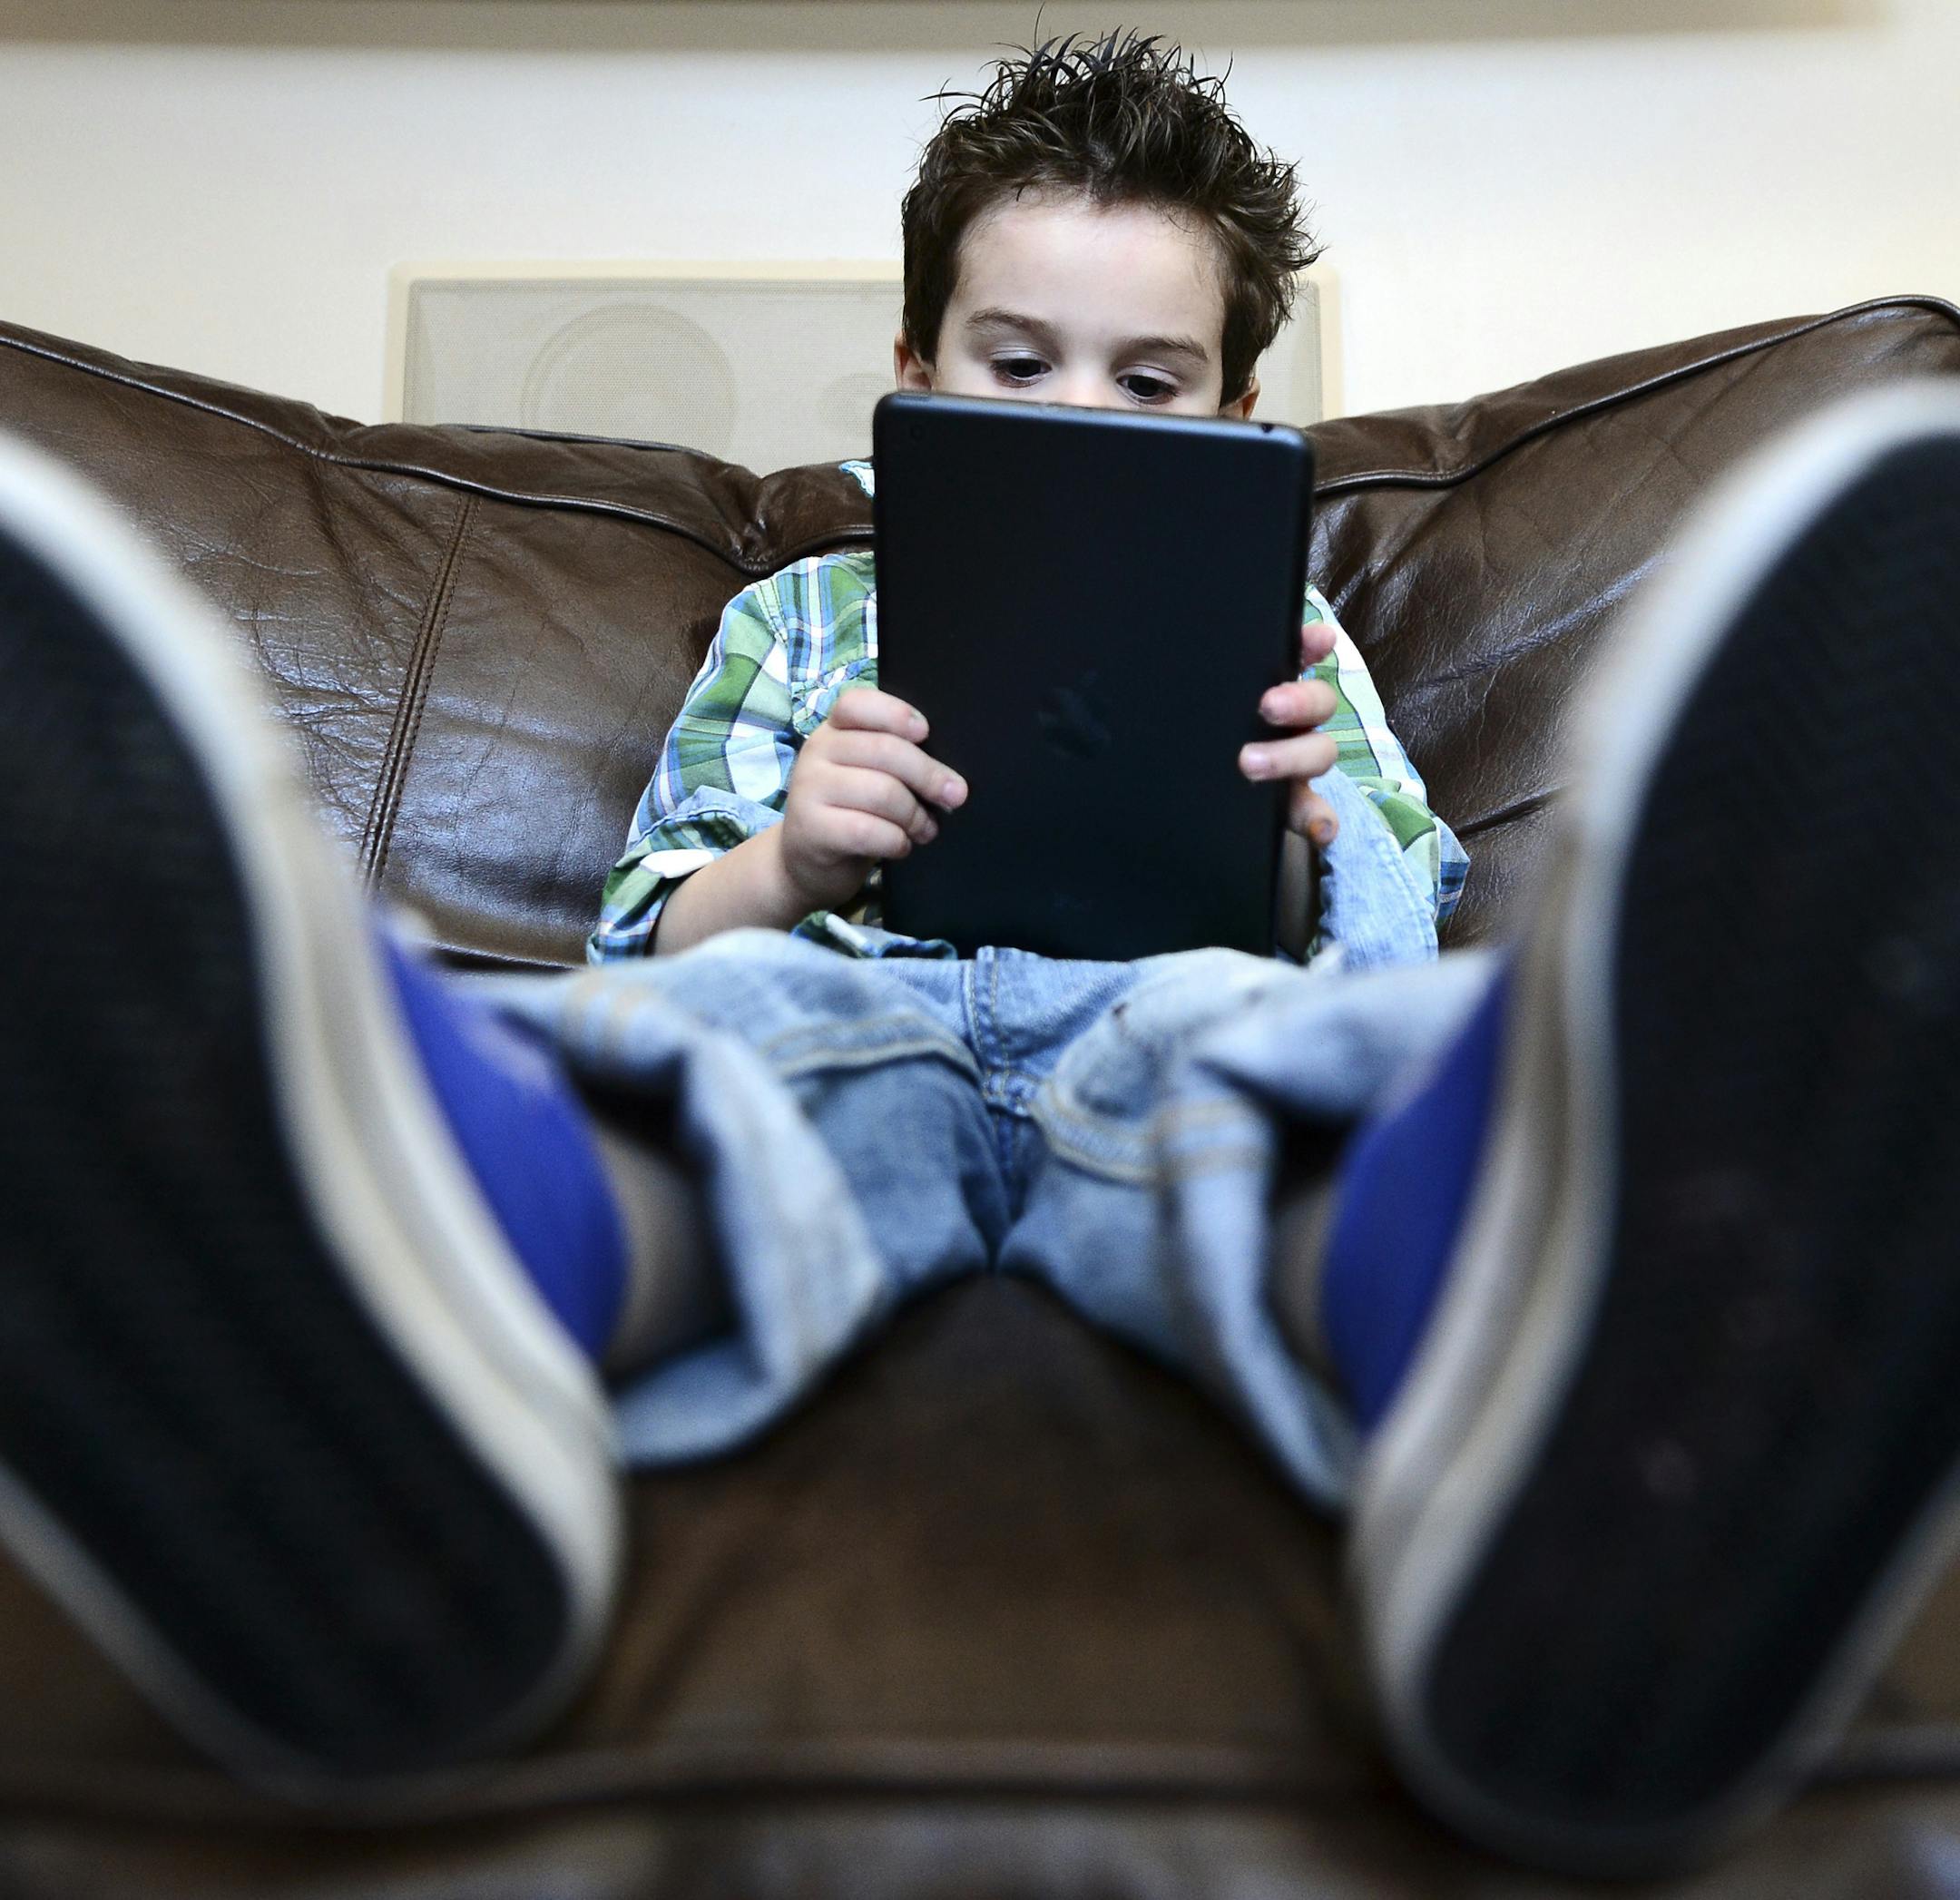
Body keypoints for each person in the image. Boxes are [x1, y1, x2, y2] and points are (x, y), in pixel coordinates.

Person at [2, 28, 1958, 1880]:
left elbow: (1394, 941)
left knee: (1269, 1099)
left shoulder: (1298, 641)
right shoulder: (796, 621)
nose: (1077, 418)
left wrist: (1309, 849)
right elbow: (644, 937)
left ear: (1239, 415)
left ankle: (1537, 1355)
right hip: (855, 1000)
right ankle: (405, 1276)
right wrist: (791, 854)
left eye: (1148, 383)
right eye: (1015, 362)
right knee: (723, 1068)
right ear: (915, 371)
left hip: (1172, 1011)